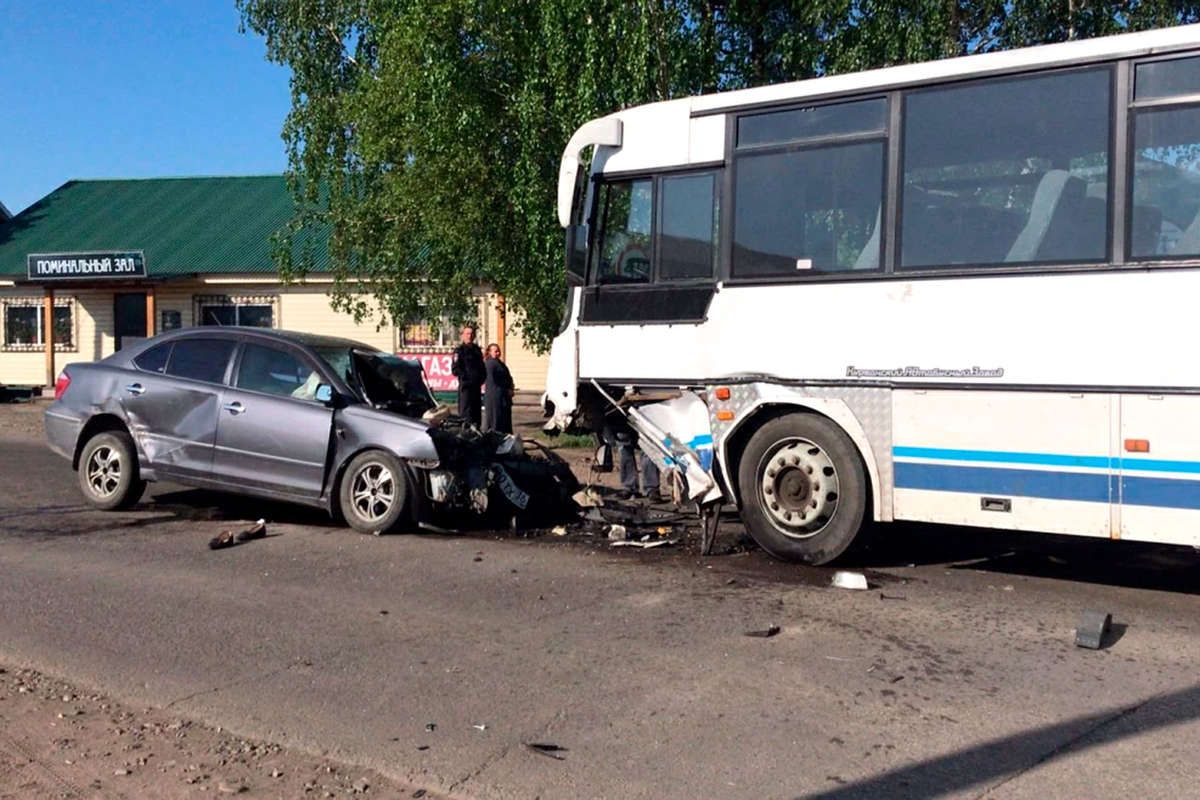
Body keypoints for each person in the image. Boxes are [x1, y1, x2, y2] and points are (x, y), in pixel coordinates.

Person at [451, 324, 485, 426]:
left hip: (476, 387)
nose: (470, 336)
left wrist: (481, 378)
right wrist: (466, 377)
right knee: (466, 414)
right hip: (466, 388)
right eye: (467, 334)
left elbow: (482, 367)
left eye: (471, 334)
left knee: (476, 415)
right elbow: (455, 369)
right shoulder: (459, 351)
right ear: (463, 335)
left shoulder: (477, 350)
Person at [483, 342, 515, 434]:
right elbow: (493, 382)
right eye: (495, 351)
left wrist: (511, 387)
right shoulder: (490, 364)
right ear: (489, 352)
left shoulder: (500, 364)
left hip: (504, 398)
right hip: (495, 397)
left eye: (499, 351)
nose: (498, 353)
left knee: (505, 423)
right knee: (495, 422)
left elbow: (509, 377)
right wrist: (506, 391)